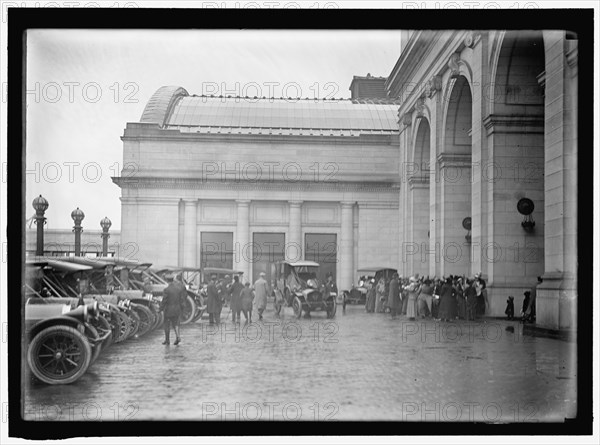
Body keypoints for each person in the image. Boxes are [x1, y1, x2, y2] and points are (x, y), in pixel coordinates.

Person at [159, 273, 187, 345]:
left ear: (167, 281)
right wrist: (182, 309)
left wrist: (160, 309)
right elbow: (182, 300)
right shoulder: (178, 289)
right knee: (176, 324)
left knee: (166, 325)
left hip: (168, 310)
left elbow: (164, 300)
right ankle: (177, 336)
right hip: (177, 309)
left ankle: (167, 340)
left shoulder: (166, 290)